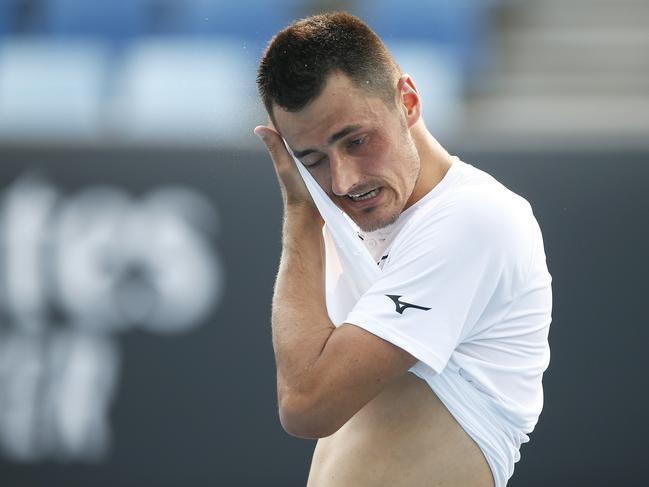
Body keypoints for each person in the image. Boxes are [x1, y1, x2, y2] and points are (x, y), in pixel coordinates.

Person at [254, 12, 552, 487]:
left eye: (356, 141)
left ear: (408, 101)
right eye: (312, 160)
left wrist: (302, 210)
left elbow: (306, 406)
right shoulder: (351, 224)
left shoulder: (475, 218)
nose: (344, 181)